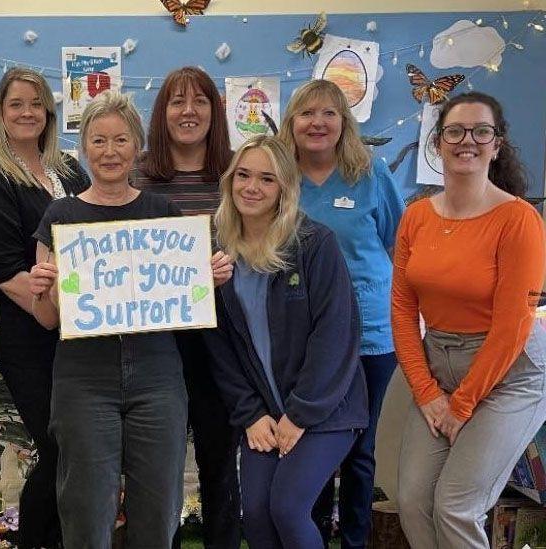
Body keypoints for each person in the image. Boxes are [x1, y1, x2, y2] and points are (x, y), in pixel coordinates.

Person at [29, 90, 229, 547]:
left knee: (158, 515)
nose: (110, 152)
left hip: (157, 377)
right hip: (84, 380)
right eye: (98, 141)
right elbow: (45, 319)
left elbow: (187, 302)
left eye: (120, 140)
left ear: (137, 145)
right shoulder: (61, 216)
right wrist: (43, 290)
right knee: (86, 514)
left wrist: (208, 280)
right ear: (84, 150)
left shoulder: (162, 214)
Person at [393, 92, 546, 549]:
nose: (468, 141)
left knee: (456, 505)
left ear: (496, 145)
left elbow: (512, 325)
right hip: (439, 366)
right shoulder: (416, 216)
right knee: (413, 500)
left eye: (482, 131)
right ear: (437, 143)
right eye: (455, 131)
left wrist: (461, 406)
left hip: (508, 372)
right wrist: (427, 393)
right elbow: (402, 309)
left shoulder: (519, 219)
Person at [203, 135, 367, 549]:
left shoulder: (315, 243)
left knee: (288, 509)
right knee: (256, 513)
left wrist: (301, 414)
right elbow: (220, 348)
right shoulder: (218, 252)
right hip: (264, 414)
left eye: (266, 179)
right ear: (229, 182)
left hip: (326, 408)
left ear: (284, 189)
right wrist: (250, 413)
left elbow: (335, 334)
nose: (251, 187)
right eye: (242, 175)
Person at [278, 79, 404, 549]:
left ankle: (353, 540)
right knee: (309, 444)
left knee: (359, 450)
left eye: (329, 113)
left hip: (371, 332)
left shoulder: (370, 172)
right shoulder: (280, 178)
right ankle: (307, 536)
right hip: (307, 336)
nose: (318, 123)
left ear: (343, 122)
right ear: (292, 123)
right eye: (307, 114)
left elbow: (397, 244)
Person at [0, 67, 90, 548]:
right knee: (60, 446)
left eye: (35, 103)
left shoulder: (70, 170)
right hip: (29, 339)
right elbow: (4, 270)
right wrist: (54, 308)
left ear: (49, 112)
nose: (26, 112)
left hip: (81, 334)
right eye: (16, 103)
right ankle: (36, 540)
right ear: (1, 112)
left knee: (82, 446)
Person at [132, 66, 241, 549]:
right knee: (159, 464)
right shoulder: (136, 171)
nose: (189, 111)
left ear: (215, 111)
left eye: (200, 101)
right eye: (177, 101)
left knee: (220, 460)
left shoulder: (237, 172)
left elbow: (258, 240)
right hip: (156, 342)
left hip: (222, 338)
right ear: (162, 113)